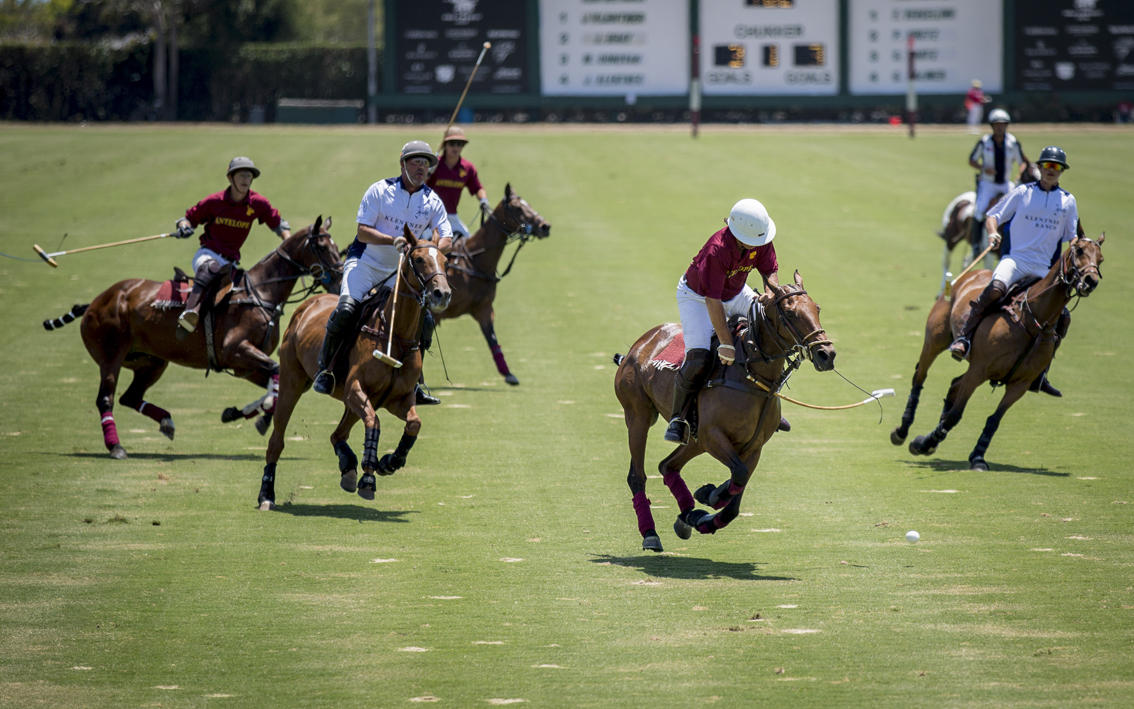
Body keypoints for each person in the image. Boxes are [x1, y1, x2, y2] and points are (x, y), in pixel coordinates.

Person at [312, 141, 452, 404]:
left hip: (398, 271)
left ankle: (415, 383)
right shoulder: (380, 190)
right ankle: (325, 370)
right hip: (365, 263)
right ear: (402, 164)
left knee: (426, 322)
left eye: (425, 164)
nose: (421, 168)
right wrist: (393, 240)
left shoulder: (432, 200)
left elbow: (447, 238)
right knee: (346, 310)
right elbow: (362, 231)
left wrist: (427, 246)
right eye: (415, 162)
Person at [948, 146, 1078, 397]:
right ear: (1039, 168)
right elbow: (993, 215)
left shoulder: (1068, 201)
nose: (1052, 170)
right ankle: (964, 339)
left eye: (1057, 167)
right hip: (1016, 260)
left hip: (1043, 268)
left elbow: (1072, 237)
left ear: (1061, 171)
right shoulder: (1022, 193)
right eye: (1048, 166)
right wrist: (993, 232)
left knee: (1062, 317)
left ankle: (1040, 372)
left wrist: (1076, 253)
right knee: (995, 289)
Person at [664, 198, 782, 444]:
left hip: (736, 292)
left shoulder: (760, 239)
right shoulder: (717, 249)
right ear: (738, 235)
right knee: (699, 357)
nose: (758, 245)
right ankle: (678, 417)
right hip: (697, 297)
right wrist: (726, 342)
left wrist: (770, 296)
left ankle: (769, 402)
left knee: (772, 332)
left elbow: (770, 271)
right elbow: (712, 300)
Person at [173, 156, 290, 332]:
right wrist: (184, 227)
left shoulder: (258, 203)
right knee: (209, 270)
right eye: (241, 175)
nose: (246, 180)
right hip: (208, 255)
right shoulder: (214, 201)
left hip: (230, 264)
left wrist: (288, 242)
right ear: (230, 178)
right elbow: (189, 218)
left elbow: (278, 224)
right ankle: (188, 315)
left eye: (249, 176)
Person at [967, 108, 1030, 269]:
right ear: (992, 126)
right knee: (980, 211)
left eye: (1003, 125)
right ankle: (975, 246)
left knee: (1020, 210)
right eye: (997, 125)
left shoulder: (1012, 142)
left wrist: (1020, 173)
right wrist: (983, 168)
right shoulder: (985, 142)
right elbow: (972, 160)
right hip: (988, 184)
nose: (1000, 128)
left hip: (1005, 183)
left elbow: (1022, 161)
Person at [426, 125, 491, 239]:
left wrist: (483, 200)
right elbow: (417, 186)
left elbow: (477, 188)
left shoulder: (467, 168)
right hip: (429, 216)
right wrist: (428, 172)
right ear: (445, 145)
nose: (456, 147)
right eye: (452, 143)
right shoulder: (434, 165)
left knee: (469, 249)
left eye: (459, 144)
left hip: (452, 216)